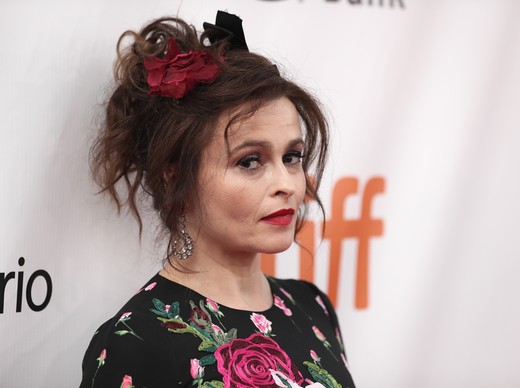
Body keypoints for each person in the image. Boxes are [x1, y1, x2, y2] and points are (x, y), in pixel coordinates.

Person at [80, 10, 355, 388]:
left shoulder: (312, 306)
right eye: (250, 161)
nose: (288, 184)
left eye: (291, 157)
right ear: (176, 177)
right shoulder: (139, 340)